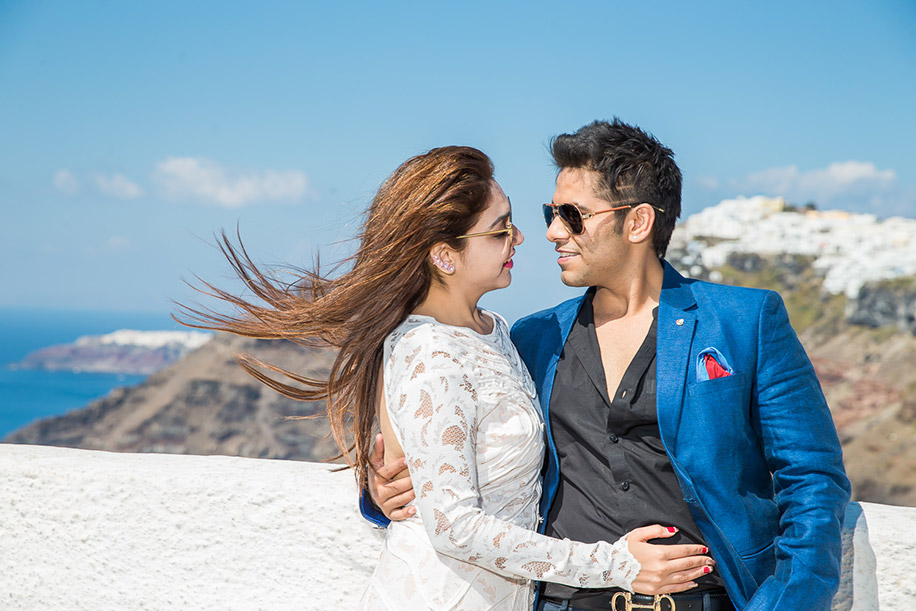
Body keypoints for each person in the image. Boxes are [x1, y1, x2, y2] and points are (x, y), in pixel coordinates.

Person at [178, 145, 714, 611]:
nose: (521, 237)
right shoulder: (428, 351)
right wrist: (613, 565)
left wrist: (387, 482)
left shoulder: (498, 332)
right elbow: (453, 526)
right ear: (444, 255)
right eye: (499, 229)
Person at [366, 121, 851, 611]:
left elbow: (813, 480)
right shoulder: (533, 339)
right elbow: (465, 460)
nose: (553, 232)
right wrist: (382, 493)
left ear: (638, 222)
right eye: (551, 213)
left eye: (572, 216)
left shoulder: (744, 322)